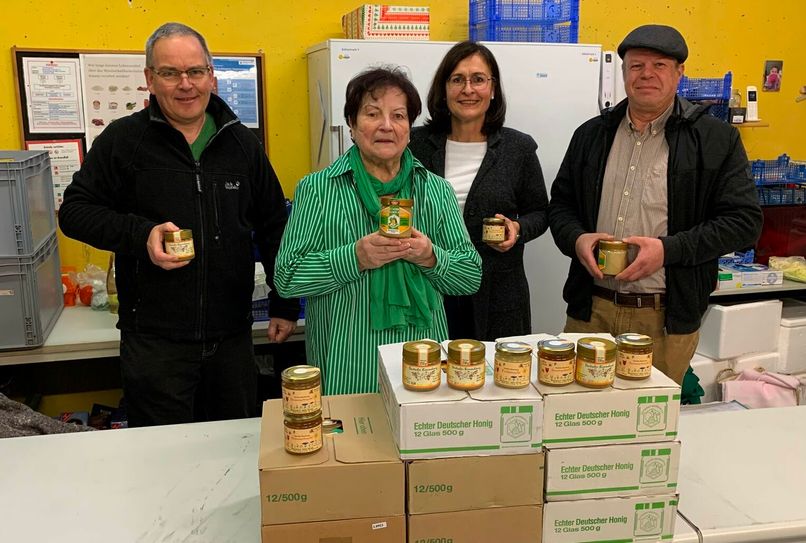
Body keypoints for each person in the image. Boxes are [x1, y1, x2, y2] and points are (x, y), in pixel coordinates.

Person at [58, 22, 299, 427]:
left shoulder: (243, 145)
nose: (185, 84)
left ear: (212, 76)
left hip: (231, 340)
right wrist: (142, 234)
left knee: (233, 452)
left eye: (196, 71)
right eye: (170, 73)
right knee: (160, 462)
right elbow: (75, 211)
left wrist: (285, 303)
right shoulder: (124, 141)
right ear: (150, 80)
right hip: (155, 344)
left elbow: (276, 226)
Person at [548, 24, 763, 384]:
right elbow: (560, 207)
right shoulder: (590, 135)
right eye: (636, 66)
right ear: (623, 74)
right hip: (591, 311)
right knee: (576, 420)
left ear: (679, 74)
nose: (646, 74)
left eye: (660, 65)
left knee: (651, 426)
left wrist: (667, 251)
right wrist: (576, 239)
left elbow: (743, 222)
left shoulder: (715, 140)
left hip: (664, 319)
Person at [274, 67, 482, 395]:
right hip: (347, 369)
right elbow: (287, 278)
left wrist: (430, 257)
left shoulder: (436, 190)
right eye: (372, 114)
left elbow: (470, 276)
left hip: (424, 368)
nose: (387, 125)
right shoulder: (318, 189)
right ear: (353, 126)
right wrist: (355, 257)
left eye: (398, 116)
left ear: (409, 129)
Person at [409, 41, 549, 341]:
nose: (468, 89)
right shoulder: (414, 144)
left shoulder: (518, 148)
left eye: (478, 79)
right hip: (428, 284)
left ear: (493, 88)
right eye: (457, 79)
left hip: (498, 291)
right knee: (430, 376)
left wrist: (517, 228)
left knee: (497, 379)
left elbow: (540, 211)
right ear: (443, 88)